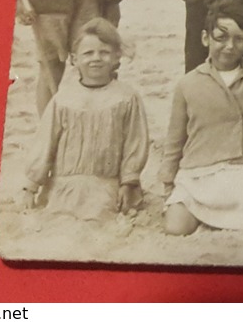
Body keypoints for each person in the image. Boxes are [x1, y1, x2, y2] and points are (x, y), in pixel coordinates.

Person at [158, 1, 243, 235]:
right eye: (221, 37)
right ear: (206, 38)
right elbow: (175, 138)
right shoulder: (188, 84)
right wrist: (168, 180)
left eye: (239, 39)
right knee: (176, 227)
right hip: (198, 171)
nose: (229, 46)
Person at [21, 19, 148, 220]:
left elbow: (134, 143)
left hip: (107, 181)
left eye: (104, 52)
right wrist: (31, 186)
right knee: (61, 213)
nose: (96, 58)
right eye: (88, 53)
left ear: (116, 57)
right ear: (74, 58)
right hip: (65, 183)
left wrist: (128, 183)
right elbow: (45, 143)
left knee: (100, 212)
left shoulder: (126, 98)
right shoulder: (63, 99)